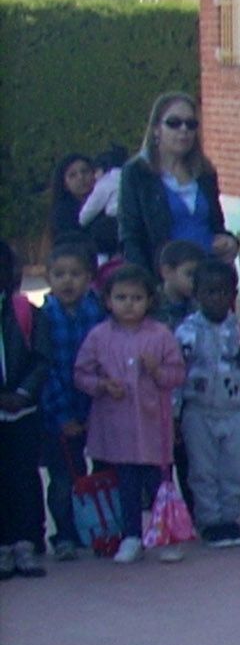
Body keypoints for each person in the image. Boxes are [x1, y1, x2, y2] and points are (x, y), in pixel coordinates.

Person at [74, 265, 188, 564]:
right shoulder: (98, 336)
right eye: (121, 297)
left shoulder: (161, 335)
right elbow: (81, 374)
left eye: (136, 297)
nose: (128, 304)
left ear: (150, 300)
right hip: (118, 429)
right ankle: (132, 536)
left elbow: (177, 374)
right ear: (108, 300)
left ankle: (165, 535)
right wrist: (102, 385)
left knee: (159, 485)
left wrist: (156, 371)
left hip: (154, 428)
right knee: (126, 486)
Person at [174, 260, 240, 549]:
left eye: (224, 292)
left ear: (233, 294)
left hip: (233, 411)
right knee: (202, 469)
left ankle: (230, 518)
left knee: (233, 469)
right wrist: (173, 414)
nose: (217, 298)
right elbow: (176, 375)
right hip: (198, 411)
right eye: (210, 292)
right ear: (197, 295)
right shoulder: (186, 333)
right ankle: (209, 520)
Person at [34, 239, 105, 560]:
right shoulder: (43, 318)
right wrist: (63, 416)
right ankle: (64, 533)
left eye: (75, 274)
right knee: (65, 478)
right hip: (59, 415)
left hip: (99, 409)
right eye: (59, 274)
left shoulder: (100, 312)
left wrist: (97, 409)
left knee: (105, 473)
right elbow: (45, 372)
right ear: (48, 278)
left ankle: (103, 528)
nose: (67, 281)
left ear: (89, 277)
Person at [118, 92, 240, 272]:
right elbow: (131, 236)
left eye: (191, 124)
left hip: (208, 275)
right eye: (174, 123)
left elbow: (217, 226)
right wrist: (144, 283)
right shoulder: (137, 173)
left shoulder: (205, 173)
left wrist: (230, 241)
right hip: (164, 278)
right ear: (156, 129)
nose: (184, 130)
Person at [0, 242, 49, 579]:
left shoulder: (26, 312)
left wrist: (22, 393)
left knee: (25, 479)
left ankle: (27, 543)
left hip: (22, 411)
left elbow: (42, 358)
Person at [48, 154, 119, 263]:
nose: (81, 177)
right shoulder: (61, 213)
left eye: (85, 172)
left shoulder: (111, 202)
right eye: (72, 175)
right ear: (65, 184)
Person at [154, 239, 206, 330]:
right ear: (167, 272)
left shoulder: (199, 306)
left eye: (198, 275)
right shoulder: (151, 305)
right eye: (189, 274)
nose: (195, 281)